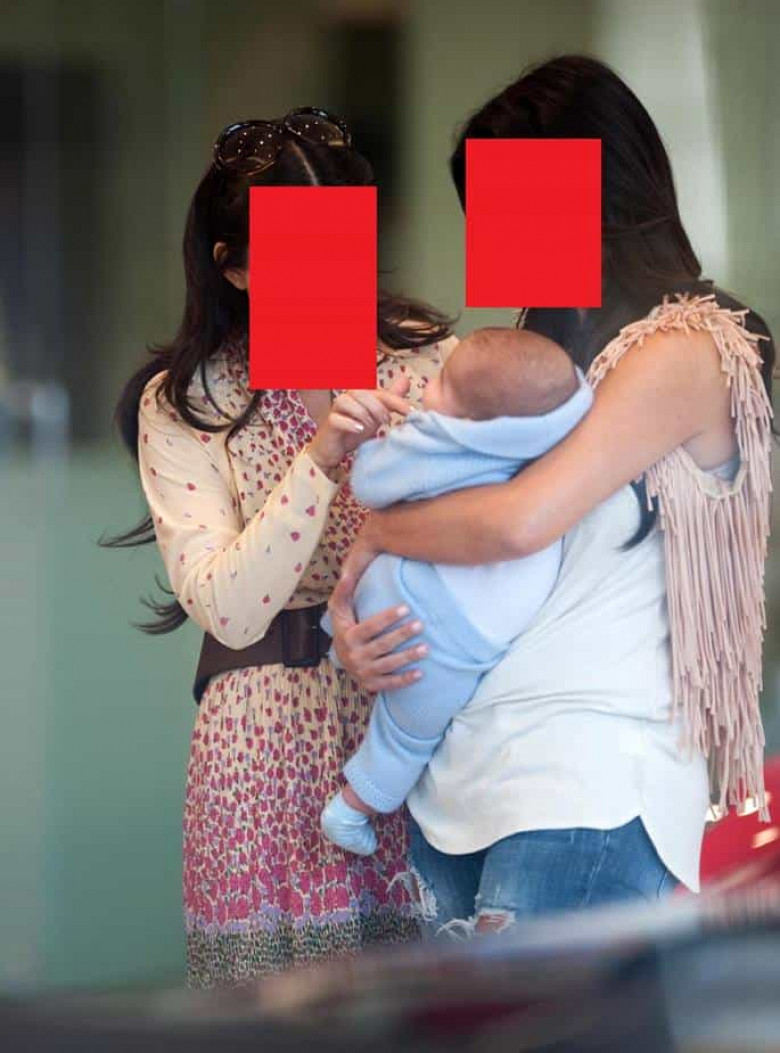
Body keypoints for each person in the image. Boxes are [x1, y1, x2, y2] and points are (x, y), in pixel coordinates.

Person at [326, 56, 775, 934]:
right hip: (461, 784)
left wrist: (379, 533)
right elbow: (474, 558)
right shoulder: (536, 365)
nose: (488, 240)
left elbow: (517, 523)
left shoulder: (691, 347)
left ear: (593, 190)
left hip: (586, 786)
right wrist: (371, 634)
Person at [103, 109, 458, 985]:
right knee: (269, 1017)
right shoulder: (189, 400)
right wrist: (320, 457)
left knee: (432, 1002)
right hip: (257, 746)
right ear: (235, 265)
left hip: (411, 716)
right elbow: (227, 605)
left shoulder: (427, 366)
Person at [319, 328, 592, 855]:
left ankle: (352, 795)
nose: (428, 387)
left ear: (467, 416)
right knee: (407, 734)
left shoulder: (439, 439)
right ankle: (354, 807)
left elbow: (370, 485)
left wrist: (377, 444)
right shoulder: (555, 435)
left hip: (411, 600)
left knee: (406, 724)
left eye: (439, 381)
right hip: (452, 623)